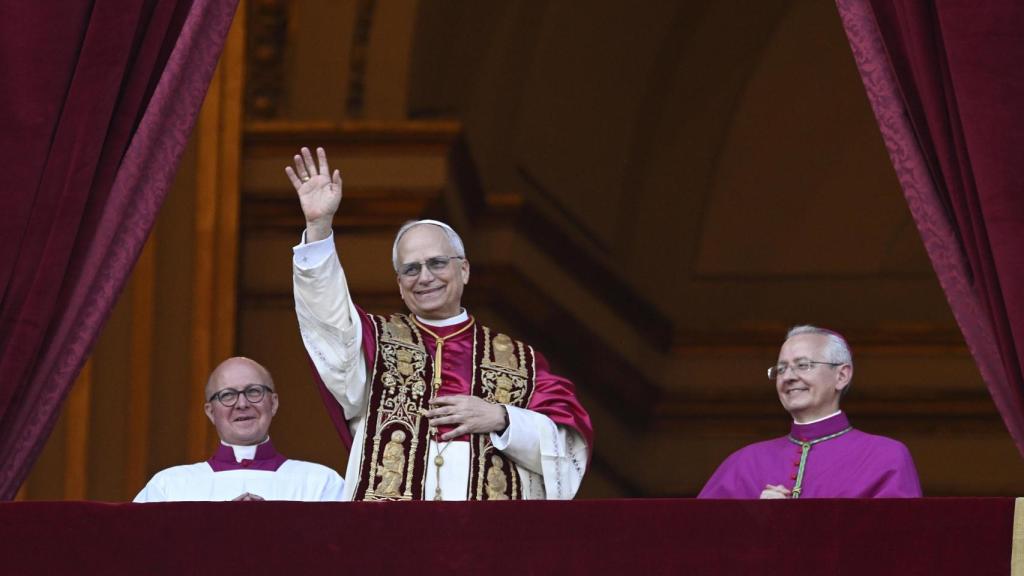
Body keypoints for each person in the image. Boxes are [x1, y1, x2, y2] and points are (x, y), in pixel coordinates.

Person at [287, 147, 592, 501]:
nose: (425, 277)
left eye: (436, 263)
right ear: (400, 286)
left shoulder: (522, 361)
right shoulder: (374, 342)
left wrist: (503, 418)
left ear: (463, 270)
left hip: (485, 541)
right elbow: (328, 319)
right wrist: (319, 227)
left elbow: (569, 446)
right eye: (411, 269)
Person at [698, 325, 921, 499]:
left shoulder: (885, 457)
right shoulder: (744, 463)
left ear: (841, 375)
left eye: (803, 365)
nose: (788, 377)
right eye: (781, 368)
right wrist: (756, 517)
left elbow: (896, 545)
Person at [133, 357, 345, 502]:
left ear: (273, 403)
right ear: (210, 411)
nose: (242, 404)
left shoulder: (320, 484)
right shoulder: (169, 487)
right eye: (227, 395)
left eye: (254, 392)